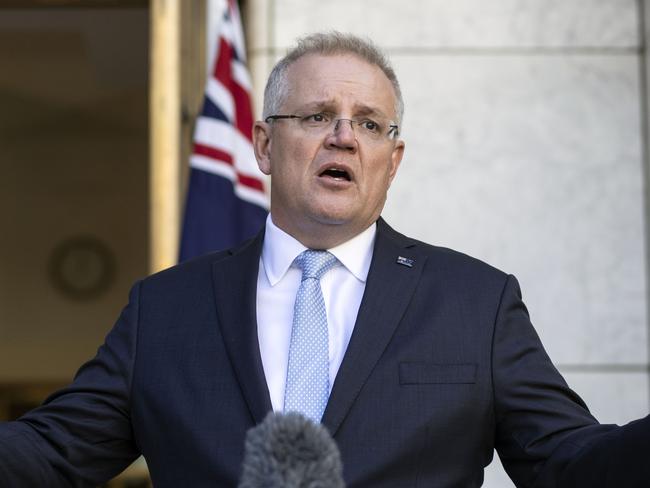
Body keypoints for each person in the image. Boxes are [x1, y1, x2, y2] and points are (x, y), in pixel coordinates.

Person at [0, 32, 648, 488]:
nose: (344, 134)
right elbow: (51, 454)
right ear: (263, 144)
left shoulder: (476, 304)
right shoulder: (164, 310)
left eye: (370, 124)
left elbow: (570, 461)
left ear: (392, 162)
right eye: (316, 114)